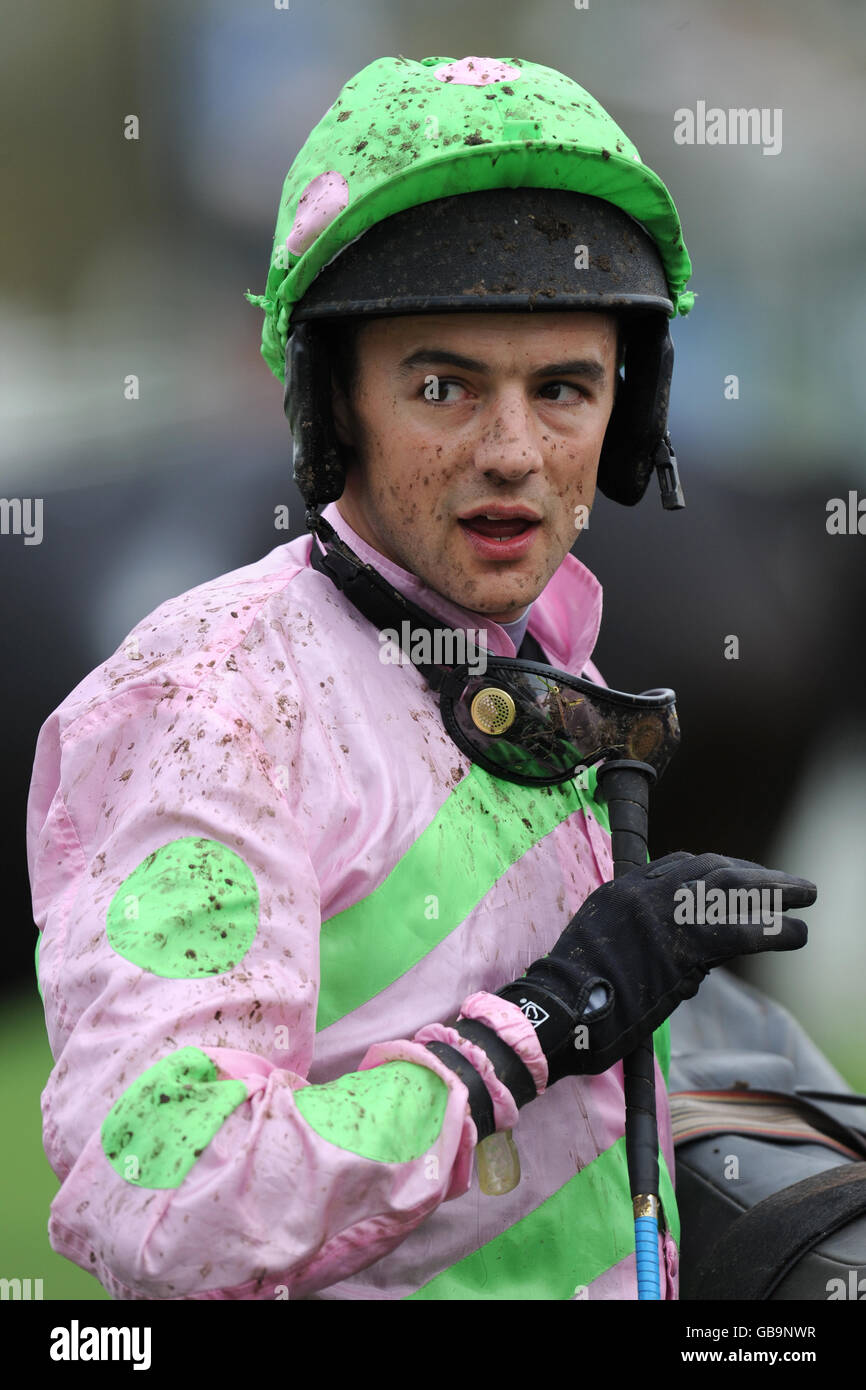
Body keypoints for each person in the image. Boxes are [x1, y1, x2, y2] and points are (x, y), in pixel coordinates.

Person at [27, 53, 816, 1301]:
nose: (512, 451)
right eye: (442, 386)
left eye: (563, 389)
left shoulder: (542, 661)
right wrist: (546, 1020)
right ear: (333, 403)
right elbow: (172, 1202)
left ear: (628, 419)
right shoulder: (207, 705)